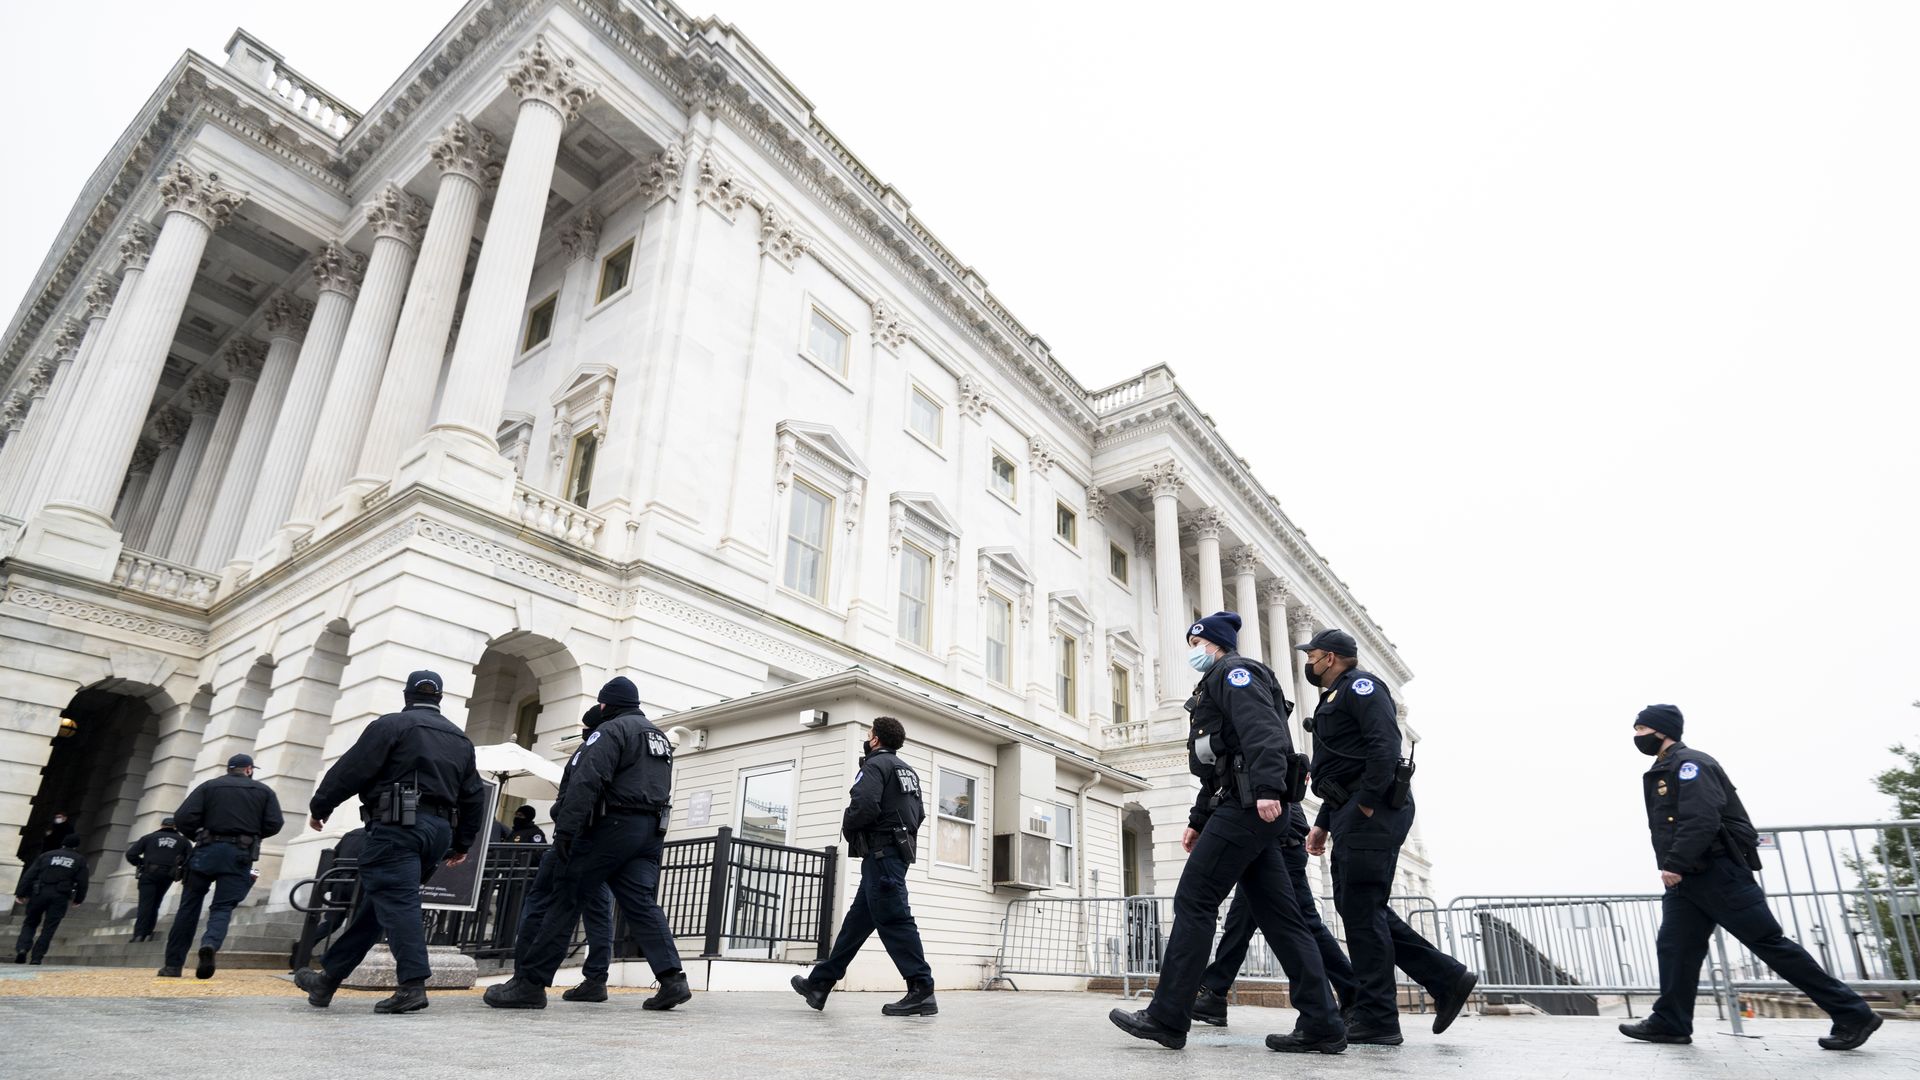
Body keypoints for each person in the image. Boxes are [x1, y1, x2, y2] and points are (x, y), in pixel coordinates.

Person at [1110, 613, 1347, 1055]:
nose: (1192, 651)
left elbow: (1263, 731)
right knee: (1281, 917)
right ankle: (1322, 1022)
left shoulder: (1235, 673)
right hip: (1239, 806)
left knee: (1195, 900)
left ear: (1212, 642)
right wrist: (1198, 819)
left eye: (1195, 642)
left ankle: (1168, 1016)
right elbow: (1217, 764)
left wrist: (1268, 789)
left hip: (1247, 808)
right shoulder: (1214, 682)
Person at [1620, 705, 1882, 1051]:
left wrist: (1676, 863)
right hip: (1688, 880)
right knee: (1675, 947)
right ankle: (1670, 1022)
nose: (1636, 736)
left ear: (1662, 731)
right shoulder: (1667, 767)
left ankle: (1853, 1013)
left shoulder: (1690, 764)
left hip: (1716, 872)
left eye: (1641, 729)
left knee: (1769, 943)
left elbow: (1701, 818)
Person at [1300, 627, 1477, 1045]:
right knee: (1361, 907)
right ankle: (1446, 978)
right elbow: (1341, 765)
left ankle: (1378, 1018)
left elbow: (1384, 745)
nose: (1309, 663)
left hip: (1371, 811)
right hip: (1349, 809)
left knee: (1362, 910)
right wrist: (1325, 820)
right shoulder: (1336, 694)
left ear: (1329, 657)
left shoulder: (1361, 687)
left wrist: (1365, 802)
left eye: (1312, 656)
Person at [486, 678, 687, 1011]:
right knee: (640, 904)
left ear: (608, 704)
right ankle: (672, 979)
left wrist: (566, 831)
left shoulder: (610, 731)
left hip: (610, 828)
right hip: (649, 832)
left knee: (565, 898)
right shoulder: (659, 737)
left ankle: (530, 985)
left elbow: (587, 781)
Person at [295, 670, 487, 1014]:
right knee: (377, 908)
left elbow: (352, 769)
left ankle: (412, 985)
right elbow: (473, 796)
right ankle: (327, 981)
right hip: (437, 832)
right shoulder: (460, 739)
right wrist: (463, 843)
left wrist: (321, 806)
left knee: (398, 902)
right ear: (439, 699)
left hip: (398, 826)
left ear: (407, 695)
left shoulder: (392, 725)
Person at [790, 715, 936, 1017]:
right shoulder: (908, 771)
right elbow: (918, 814)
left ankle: (922, 989)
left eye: (869, 734)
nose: (867, 738)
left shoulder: (875, 765)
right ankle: (819, 984)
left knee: (895, 919)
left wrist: (850, 827)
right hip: (894, 854)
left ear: (875, 739)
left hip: (882, 856)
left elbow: (864, 805)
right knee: (856, 923)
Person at [1189, 800, 1359, 1030]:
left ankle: (1352, 995)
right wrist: (1198, 822)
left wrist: (1199, 822)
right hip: (1264, 837)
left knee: (1305, 923)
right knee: (1239, 923)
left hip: (1279, 839)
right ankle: (1214, 993)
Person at [509, 706, 616, 1004]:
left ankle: (524, 977)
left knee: (542, 902)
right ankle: (596, 978)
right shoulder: (619, 749)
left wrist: (563, 822)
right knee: (598, 912)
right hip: (601, 842)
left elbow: (576, 793)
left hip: (574, 839)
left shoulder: (590, 749)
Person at [160, 754, 284, 979]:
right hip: (239, 854)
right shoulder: (264, 791)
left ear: (229, 769)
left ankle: (172, 966)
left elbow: (183, 817)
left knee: (188, 906)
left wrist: (198, 835)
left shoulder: (208, 787)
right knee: (222, 907)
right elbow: (275, 823)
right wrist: (250, 834)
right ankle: (210, 943)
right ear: (249, 769)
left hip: (205, 850)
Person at [13, 836, 89, 964]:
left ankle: (22, 948)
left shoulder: (46, 855)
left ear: (63, 844)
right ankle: (37, 957)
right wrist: (79, 899)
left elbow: (30, 875)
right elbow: (83, 882)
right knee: (49, 927)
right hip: (60, 895)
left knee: (30, 923)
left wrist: (21, 893)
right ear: (76, 846)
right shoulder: (79, 860)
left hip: (39, 892)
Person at [126, 816, 194, 942]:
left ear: (162, 826)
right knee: (156, 903)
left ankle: (139, 934)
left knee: (145, 904)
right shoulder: (183, 841)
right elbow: (190, 858)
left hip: (148, 873)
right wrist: (180, 867)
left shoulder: (148, 838)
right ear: (175, 827)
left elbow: (131, 854)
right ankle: (148, 933)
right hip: (168, 875)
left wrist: (141, 863)